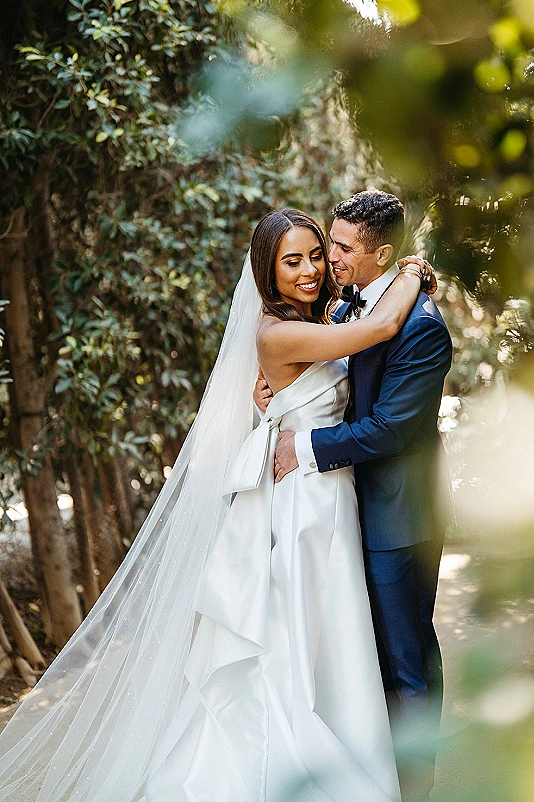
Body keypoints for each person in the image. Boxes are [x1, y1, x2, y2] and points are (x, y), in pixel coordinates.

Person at [0, 207, 430, 802]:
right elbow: (375, 333)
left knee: (329, 636)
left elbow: (337, 368)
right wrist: (412, 270)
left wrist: (272, 401)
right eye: (293, 261)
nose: (311, 269)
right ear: (267, 272)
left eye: (315, 255)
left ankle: (342, 746)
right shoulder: (279, 332)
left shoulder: (323, 314)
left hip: (327, 491)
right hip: (303, 502)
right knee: (294, 637)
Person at [273, 192, 452, 801]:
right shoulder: (350, 303)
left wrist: (307, 445)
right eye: (333, 243)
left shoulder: (422, 328)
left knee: (406, 662)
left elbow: (391, 429)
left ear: (384, 255)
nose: (332, 261)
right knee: (363, 653)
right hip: (350, 508)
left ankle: (418, 787)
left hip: (400, 516)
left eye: (345, 249)